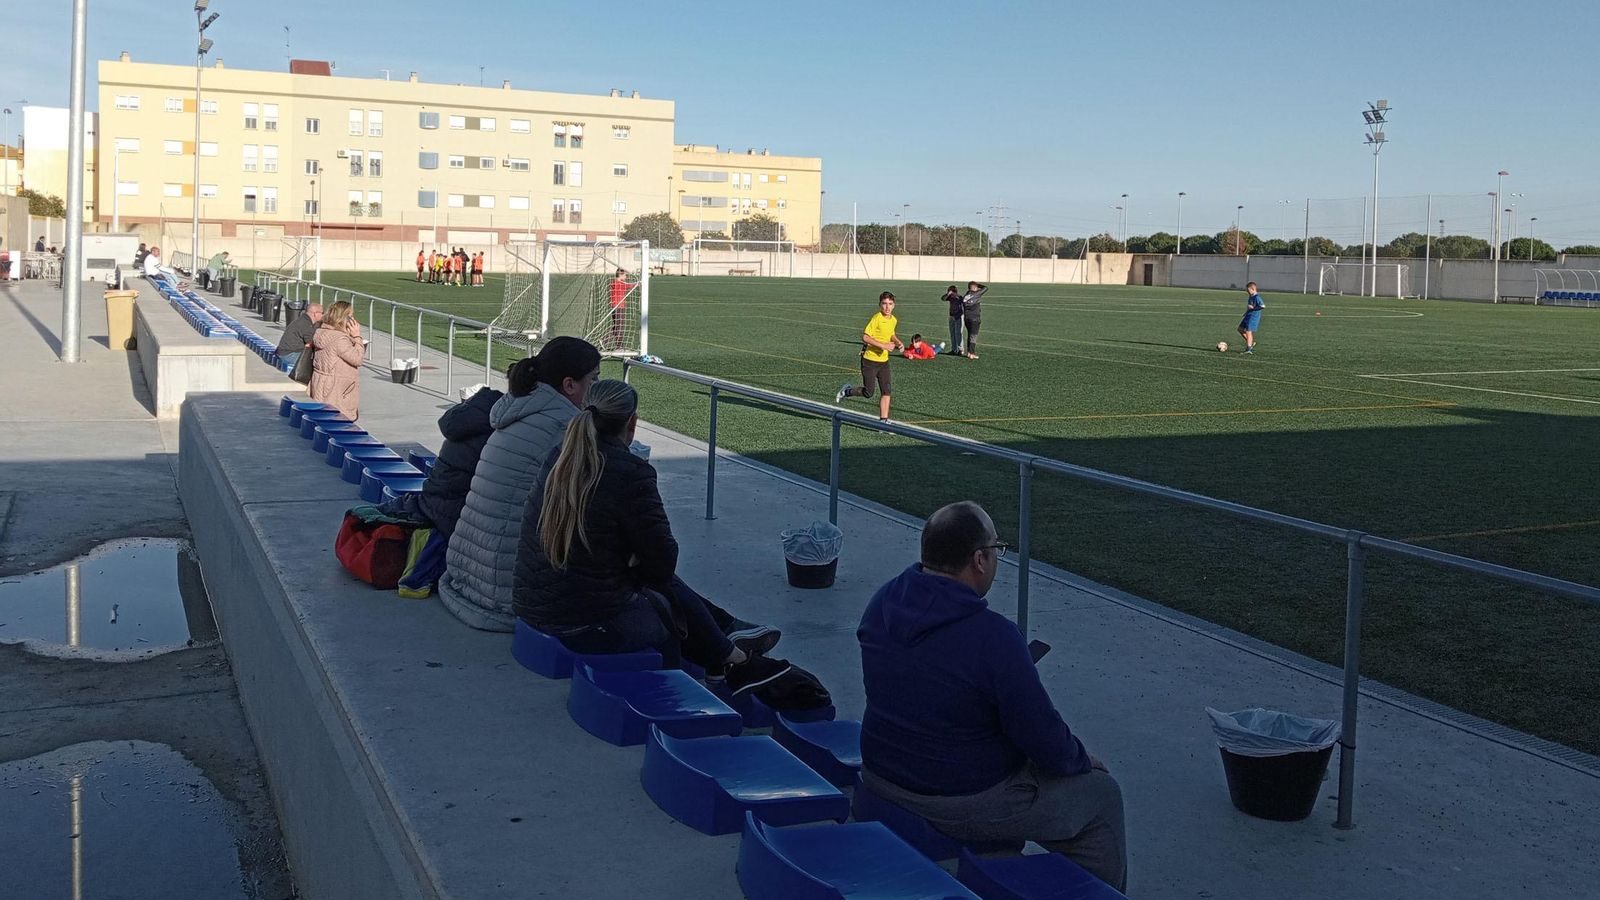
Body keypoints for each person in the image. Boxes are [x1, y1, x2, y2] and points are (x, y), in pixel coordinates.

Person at [856, 501, 1127, 892]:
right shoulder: (995, 637)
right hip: (954, 798)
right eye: (997, 549)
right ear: (980, 560)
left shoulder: (882, 601)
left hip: (880, 774)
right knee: (1101, 796)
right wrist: (1081, 758)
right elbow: (1046, 742)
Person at [514, 379, 786, 681]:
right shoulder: (629, 473)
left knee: (653, 583)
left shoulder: (559, 458)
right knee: (664, 612)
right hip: (581, 622)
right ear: (632, 422)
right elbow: (662, 563)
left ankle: (726, 643)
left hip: (532, 606)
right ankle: (723, 660)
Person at [439, 337, 603, 631]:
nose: (597, 387)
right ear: (569, 385)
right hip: (500, 593)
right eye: (594, 379)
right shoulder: (564, 426)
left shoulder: (516, 409)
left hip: (463, 572)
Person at [835, 291, 903, 423]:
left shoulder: (893, 320)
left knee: (886, 391)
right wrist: (883, 345)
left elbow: (891, 333)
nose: (887, 307)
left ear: (894, 305)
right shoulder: (876, 318)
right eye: (884, 304)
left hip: (884, 362)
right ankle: (847, 391)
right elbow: (865, 337)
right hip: (869, 361)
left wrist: (897, 342)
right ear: (879, 305)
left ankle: (883, 421)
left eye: (890, 304)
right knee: (868, 393)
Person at [308, 301, 365, 420]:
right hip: (338, 390)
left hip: (321, 383)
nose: (353, 319)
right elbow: (358, 359)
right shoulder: (339, 339)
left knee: (323, 419)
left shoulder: (320, 332)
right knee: (338, 421)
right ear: (344, 318)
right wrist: (357, 337)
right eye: (351, 316)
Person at [275, 302, 324, 372]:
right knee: (320, 358)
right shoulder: (306, 325)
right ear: (315, 313)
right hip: (289, 355)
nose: (323, 315)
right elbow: (314, 343)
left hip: (283, 353)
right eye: (322, 313)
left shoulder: (303, 320)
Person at [959, 281, 988, 359]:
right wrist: (978, 285)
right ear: (975, 288)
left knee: (970, 335)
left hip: (967, 318)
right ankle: (972, 353)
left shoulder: (966, 295)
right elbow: (986, 288)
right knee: (973, 336)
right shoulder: (976, 294)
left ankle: (969, 352)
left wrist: (973, 286)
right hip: (974, 318)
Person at [608, 267, 635, 350]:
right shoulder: (618, 284)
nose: (626, 277)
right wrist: (641, 282)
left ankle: (604, 341)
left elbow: (628, 285)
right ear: (621, 274)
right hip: (618, 307)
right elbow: (630, 285)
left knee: (616, 326)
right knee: (620, 327)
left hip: (616, 307)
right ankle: (619, 347)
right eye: (625, 275)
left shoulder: (616, 282)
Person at [1237, 281, 1264, 354]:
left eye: (1248, 290)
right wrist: (1246, 312)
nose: (1247, 292)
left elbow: (1262, 306)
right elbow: (1249, 306)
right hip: (1248, 315)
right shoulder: (1250, 296)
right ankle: (1251, 343)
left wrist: (1253, 308)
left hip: (1253, 317)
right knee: (1240, 329)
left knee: (1248, 331)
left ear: (1253, 289)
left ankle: (1249, 349)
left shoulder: (1257, 297)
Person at [942, 285, 966, 353]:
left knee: (958, 333)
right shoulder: (950, 297)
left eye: (950, 291)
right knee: (952, 333)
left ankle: (961, 350)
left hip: (958, 317)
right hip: (951, 317)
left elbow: (964, 306)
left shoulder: (959, 297)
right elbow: (943, 298)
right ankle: (954, 349)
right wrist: (947, 294)